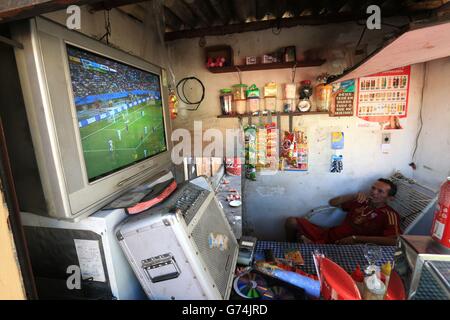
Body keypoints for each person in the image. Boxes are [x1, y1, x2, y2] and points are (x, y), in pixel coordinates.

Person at [285, 178, 401, 246]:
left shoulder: (390, 214)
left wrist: (357, 239)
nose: (374, 192)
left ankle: (310, 244)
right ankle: (290, 246)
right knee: (291, 222)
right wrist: (353, 196)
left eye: (380, 191)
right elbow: (332, 202)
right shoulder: (361, 201)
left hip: (345, 245)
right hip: (329, 234)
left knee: (304, 242)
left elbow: (394, 240)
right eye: (373, 188)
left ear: (390, 198)